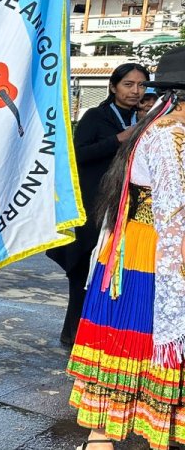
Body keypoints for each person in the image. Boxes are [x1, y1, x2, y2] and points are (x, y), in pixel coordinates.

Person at [65, 47, 185, 450]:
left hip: (131, 245)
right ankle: (143, 435)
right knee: (148, 336)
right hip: (153, 251)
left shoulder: (153, 128)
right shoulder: (171, 136)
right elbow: (175, 210)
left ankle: (103, 435)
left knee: (126, 335)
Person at [49, 62, 149, 347]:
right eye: (128, 84)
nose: (135, 91)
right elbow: (75, 155)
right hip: (93, 207)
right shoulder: (97, 116)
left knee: (111, 274)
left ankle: (98, 333)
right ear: (113, 87)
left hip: (126, 208)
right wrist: (119, 139)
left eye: (141, 85)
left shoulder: (146, 119)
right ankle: (72, 334)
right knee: (83, 271)